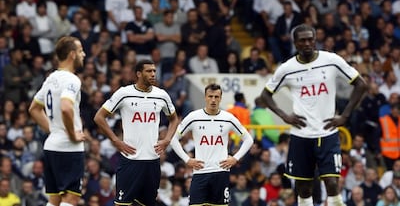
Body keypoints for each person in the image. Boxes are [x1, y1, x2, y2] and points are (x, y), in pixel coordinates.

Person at [260, 24, 368, 206]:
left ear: (315, 39)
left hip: (327, 132)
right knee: (303, 187)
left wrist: (345, 116)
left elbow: (361, 84)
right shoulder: (287, 68)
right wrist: (284, 115)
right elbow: (265, 95)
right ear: (295, 43)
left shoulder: (331, 60)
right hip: (301, 135)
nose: (307, 43)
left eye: (311, 39)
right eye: (302, 40)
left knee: (332, 183)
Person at [93, 59, 179, 206]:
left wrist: (167, 140)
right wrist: (116, 141)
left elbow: (174, 119)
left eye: (154, 71)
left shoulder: (161, 95)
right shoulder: (124, 93)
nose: (153, 74)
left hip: (152, 161)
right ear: (138, 74)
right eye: (149, 71)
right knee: (122, 203)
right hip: (130, 160)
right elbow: (99, 117)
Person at [170, 83, 254, 205]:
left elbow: (248, 139)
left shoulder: (228, 118)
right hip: (200, 173)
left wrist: (235, 158)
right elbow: (173, 139)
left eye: (216, 97)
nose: (213, 100)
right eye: (210, 96)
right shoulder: (194, 117)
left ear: (220, 98)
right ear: (205, 97)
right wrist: (187, 159)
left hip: (221, 173)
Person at [28, 36, 87, 206]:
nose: (84, 54)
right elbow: (66, 107)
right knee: (71, 199)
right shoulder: (72, 80)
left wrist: (54, 131)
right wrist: (71, 135)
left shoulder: (51, 78)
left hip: (52, 145)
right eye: (81, 50)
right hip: (68, 147)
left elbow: (34, 109)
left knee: (54, 200)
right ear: (72, 54)